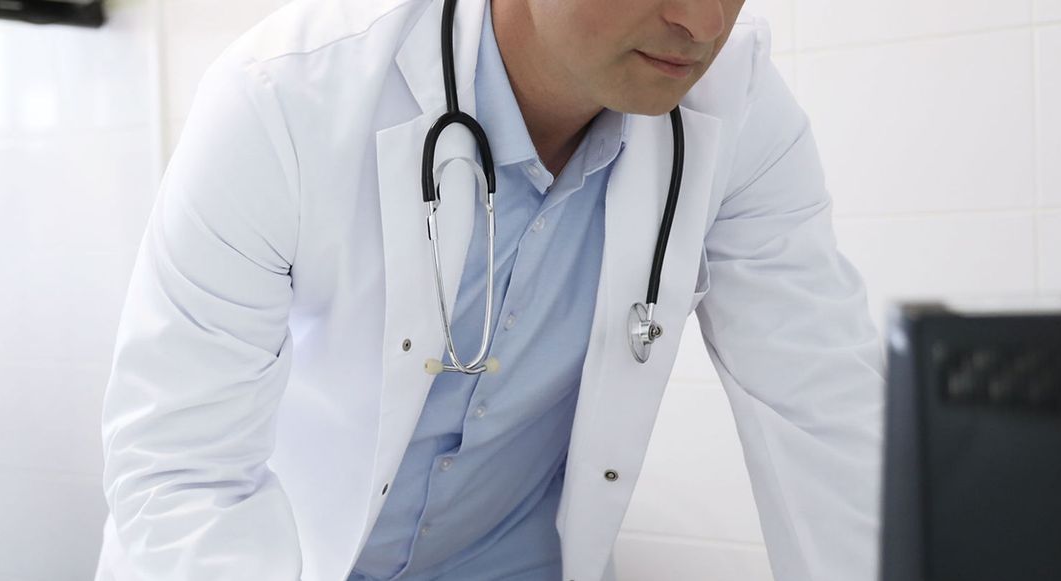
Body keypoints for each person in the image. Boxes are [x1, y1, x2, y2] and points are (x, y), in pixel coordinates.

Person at [98, 0, 882, 579]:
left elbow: (829, 417)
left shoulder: (734, 110)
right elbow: (181, 477)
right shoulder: (283, 99)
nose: (704, 22)